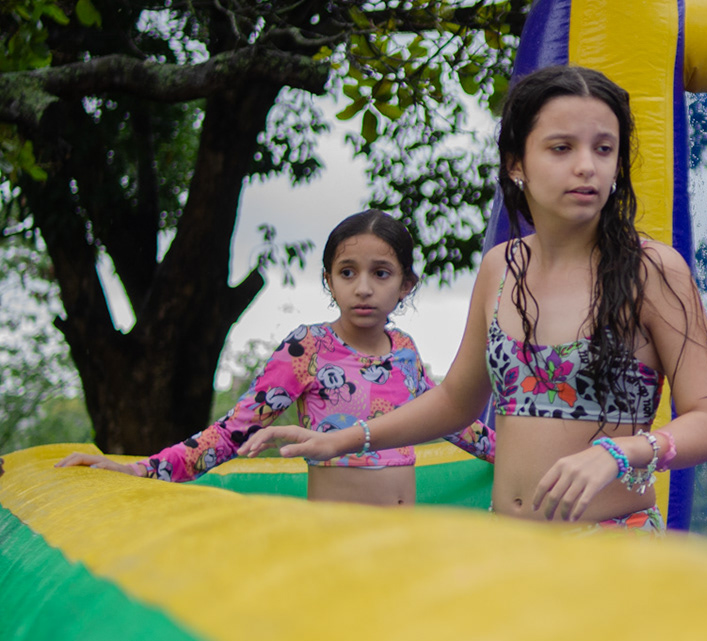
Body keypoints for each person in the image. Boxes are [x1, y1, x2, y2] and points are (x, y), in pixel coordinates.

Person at [243, 65, 707, 530]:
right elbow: (456, 401)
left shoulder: (654, 270)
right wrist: (344, 440)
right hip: (507, 549)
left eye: (604, 149)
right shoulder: (501, 266)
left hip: (611, 548)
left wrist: (621, 451)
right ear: (516, 162)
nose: (586, 166)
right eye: (561, 148)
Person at [58, 211, 493, 504]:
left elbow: (453, 418)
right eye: (347, 272)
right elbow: (234, 430)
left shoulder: (405, 351)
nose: (363, 288)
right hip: (335, 542)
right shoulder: (308, 348)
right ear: (328, 281)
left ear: (406, 285)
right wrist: (143, 469)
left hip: (403, 544)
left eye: (381, 273)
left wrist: (516, 454)